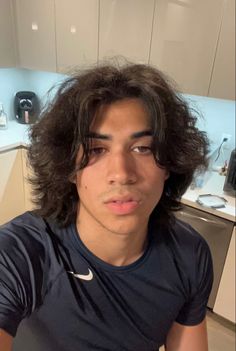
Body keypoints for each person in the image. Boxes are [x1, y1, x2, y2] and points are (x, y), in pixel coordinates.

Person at [0, 62, 213, 351]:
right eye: (96, 150)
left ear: (168, 165)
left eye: (143, 148)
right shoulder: (21, 253)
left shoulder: (189, 256)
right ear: (69, 169)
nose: (122, 173)